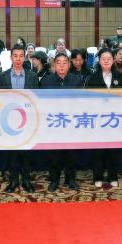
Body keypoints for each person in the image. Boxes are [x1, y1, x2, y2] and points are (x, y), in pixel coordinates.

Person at [0, 45, 39, 193]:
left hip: (28, 121)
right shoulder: (2, 77)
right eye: (15, 56)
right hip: (9, 121)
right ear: (11, 58)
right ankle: (13, 181)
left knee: (26, 153)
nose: (18, 59)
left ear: (24, 57)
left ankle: (26, 180)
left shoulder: (32, 76)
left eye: (21, 56)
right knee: (12, 153)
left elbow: (36, 99)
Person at [84, 48, 122, 188]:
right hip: (98, 120)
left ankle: (112, 176)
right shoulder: (92, 77)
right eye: (103, 58)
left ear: (113, 60)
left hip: (115, 119)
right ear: (99, 60)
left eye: (109, 58)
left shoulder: (121, 77)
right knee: (98, 150)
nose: (106, 61)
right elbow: (87, 98)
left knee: (113, 150)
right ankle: (97, 176)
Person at [40, 52, 83, 191]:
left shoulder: (77, 80)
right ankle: (54, 180)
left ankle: (71, 179)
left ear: (69, 65)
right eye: (59, 63)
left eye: (65, 63)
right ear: (54, 65)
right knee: (54, 154)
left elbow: (81, 102)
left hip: (71, 123)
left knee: (71, 154)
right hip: (54, 123)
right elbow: (42, 103)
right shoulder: (46, 81)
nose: (62, 65)